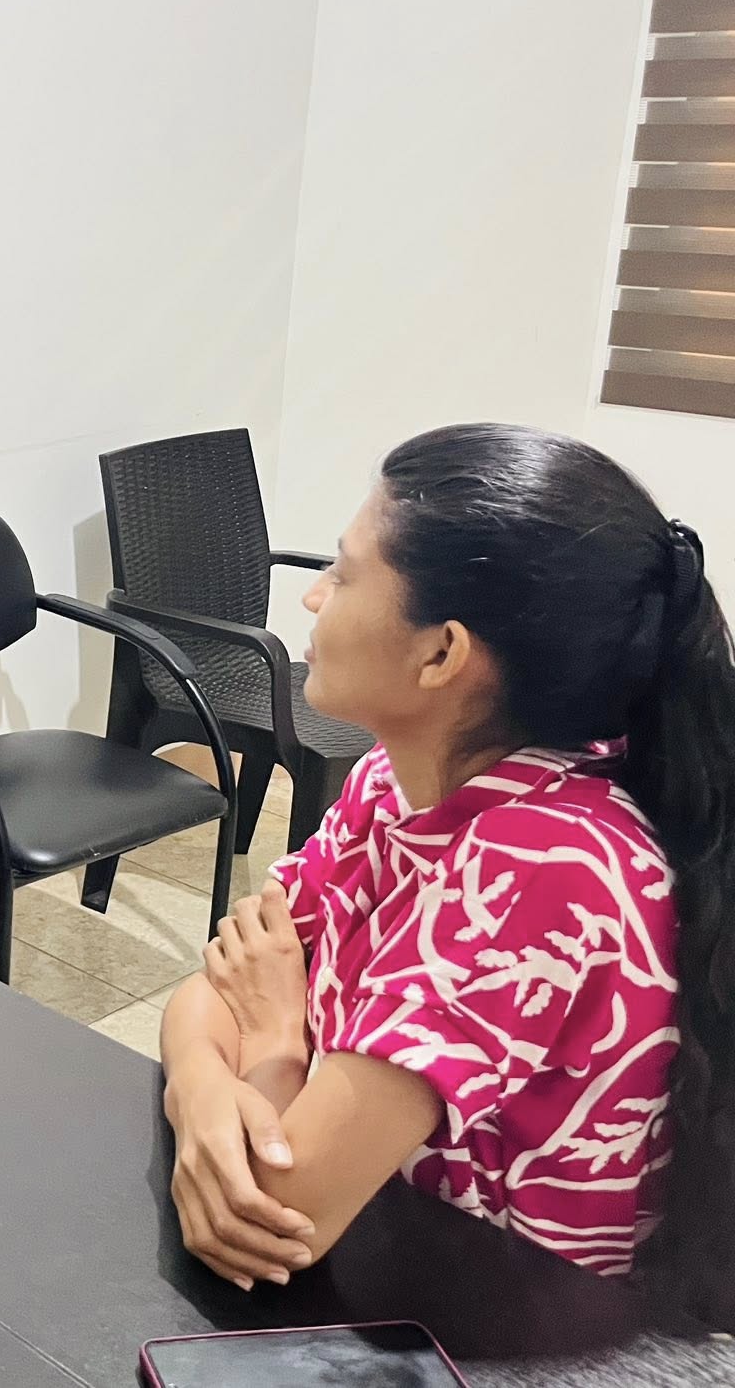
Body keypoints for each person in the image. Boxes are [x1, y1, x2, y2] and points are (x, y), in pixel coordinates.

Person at [159, 423, 733, 1330]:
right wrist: (199, 1090)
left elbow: (277, 1216)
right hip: (392, 1247)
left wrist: (273, 1041)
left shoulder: (544, 867)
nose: (313, 596)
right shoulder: (395, 782)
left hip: (507, 1316)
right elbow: (216, 985)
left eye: (345, 575)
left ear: (442, 655)